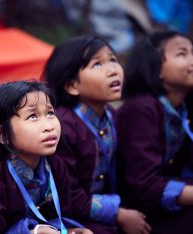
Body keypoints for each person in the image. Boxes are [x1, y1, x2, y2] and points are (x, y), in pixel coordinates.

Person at [43, 36, 151, 234]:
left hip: (101, 207)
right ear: (72, 86)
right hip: (67, 216)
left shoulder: (111, 115)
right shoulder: (63, 126)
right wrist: (118, 214)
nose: (113, 70)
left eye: (113, 60)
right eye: (97, 64)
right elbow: (68, 197)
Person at [0, 80, 94, 234]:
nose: (49, 126)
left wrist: (71, 230)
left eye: (50, 113)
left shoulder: (54, 163)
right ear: (3, 134)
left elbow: (62, 212)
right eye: (33, 116)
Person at [117, 31, 193, 234]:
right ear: (156, 66)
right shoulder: (141, 108)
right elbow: (144, 184)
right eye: (182, 54)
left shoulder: (182, 107)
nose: (192, 60)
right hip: (139, 213)